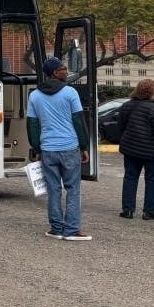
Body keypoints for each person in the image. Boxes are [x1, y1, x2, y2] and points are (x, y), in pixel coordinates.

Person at [28, 56, 92, 240]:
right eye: (63, 68)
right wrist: (84, 146)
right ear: (55, 73)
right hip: (69, 147)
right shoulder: (70, 93)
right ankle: (72, 230)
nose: (66, 71)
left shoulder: (34, 95)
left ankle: (56, 228)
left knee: (53, 189)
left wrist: (36, 148)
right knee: (73, 188)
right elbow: (79, 121)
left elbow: (33, 124)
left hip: (48, 149)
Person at [115, 79, 154, 220]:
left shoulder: (127, 106)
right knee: (152, 179)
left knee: (130, 177)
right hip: (152, 151)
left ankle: (127, 209)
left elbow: (121, 126)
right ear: (150, 92)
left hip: (131, 148)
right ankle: (149, 211)